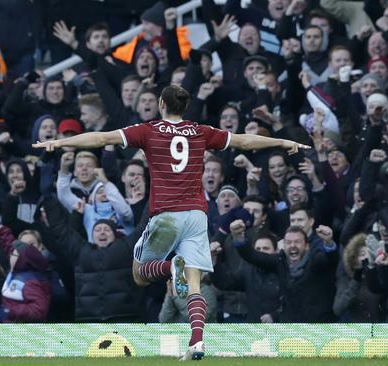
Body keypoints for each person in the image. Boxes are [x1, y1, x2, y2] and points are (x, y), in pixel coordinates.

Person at [34, 84, 310, 360]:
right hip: (196, 217)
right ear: (185, 107)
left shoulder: (149, 130)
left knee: (139, 274)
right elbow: (244, 140)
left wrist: (60, 142)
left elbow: (101, 137)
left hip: (166, 215)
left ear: (162, 105)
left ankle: (168, 267)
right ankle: (197, 342)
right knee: (195, 285)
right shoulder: (200, 132)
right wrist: (283, 142)